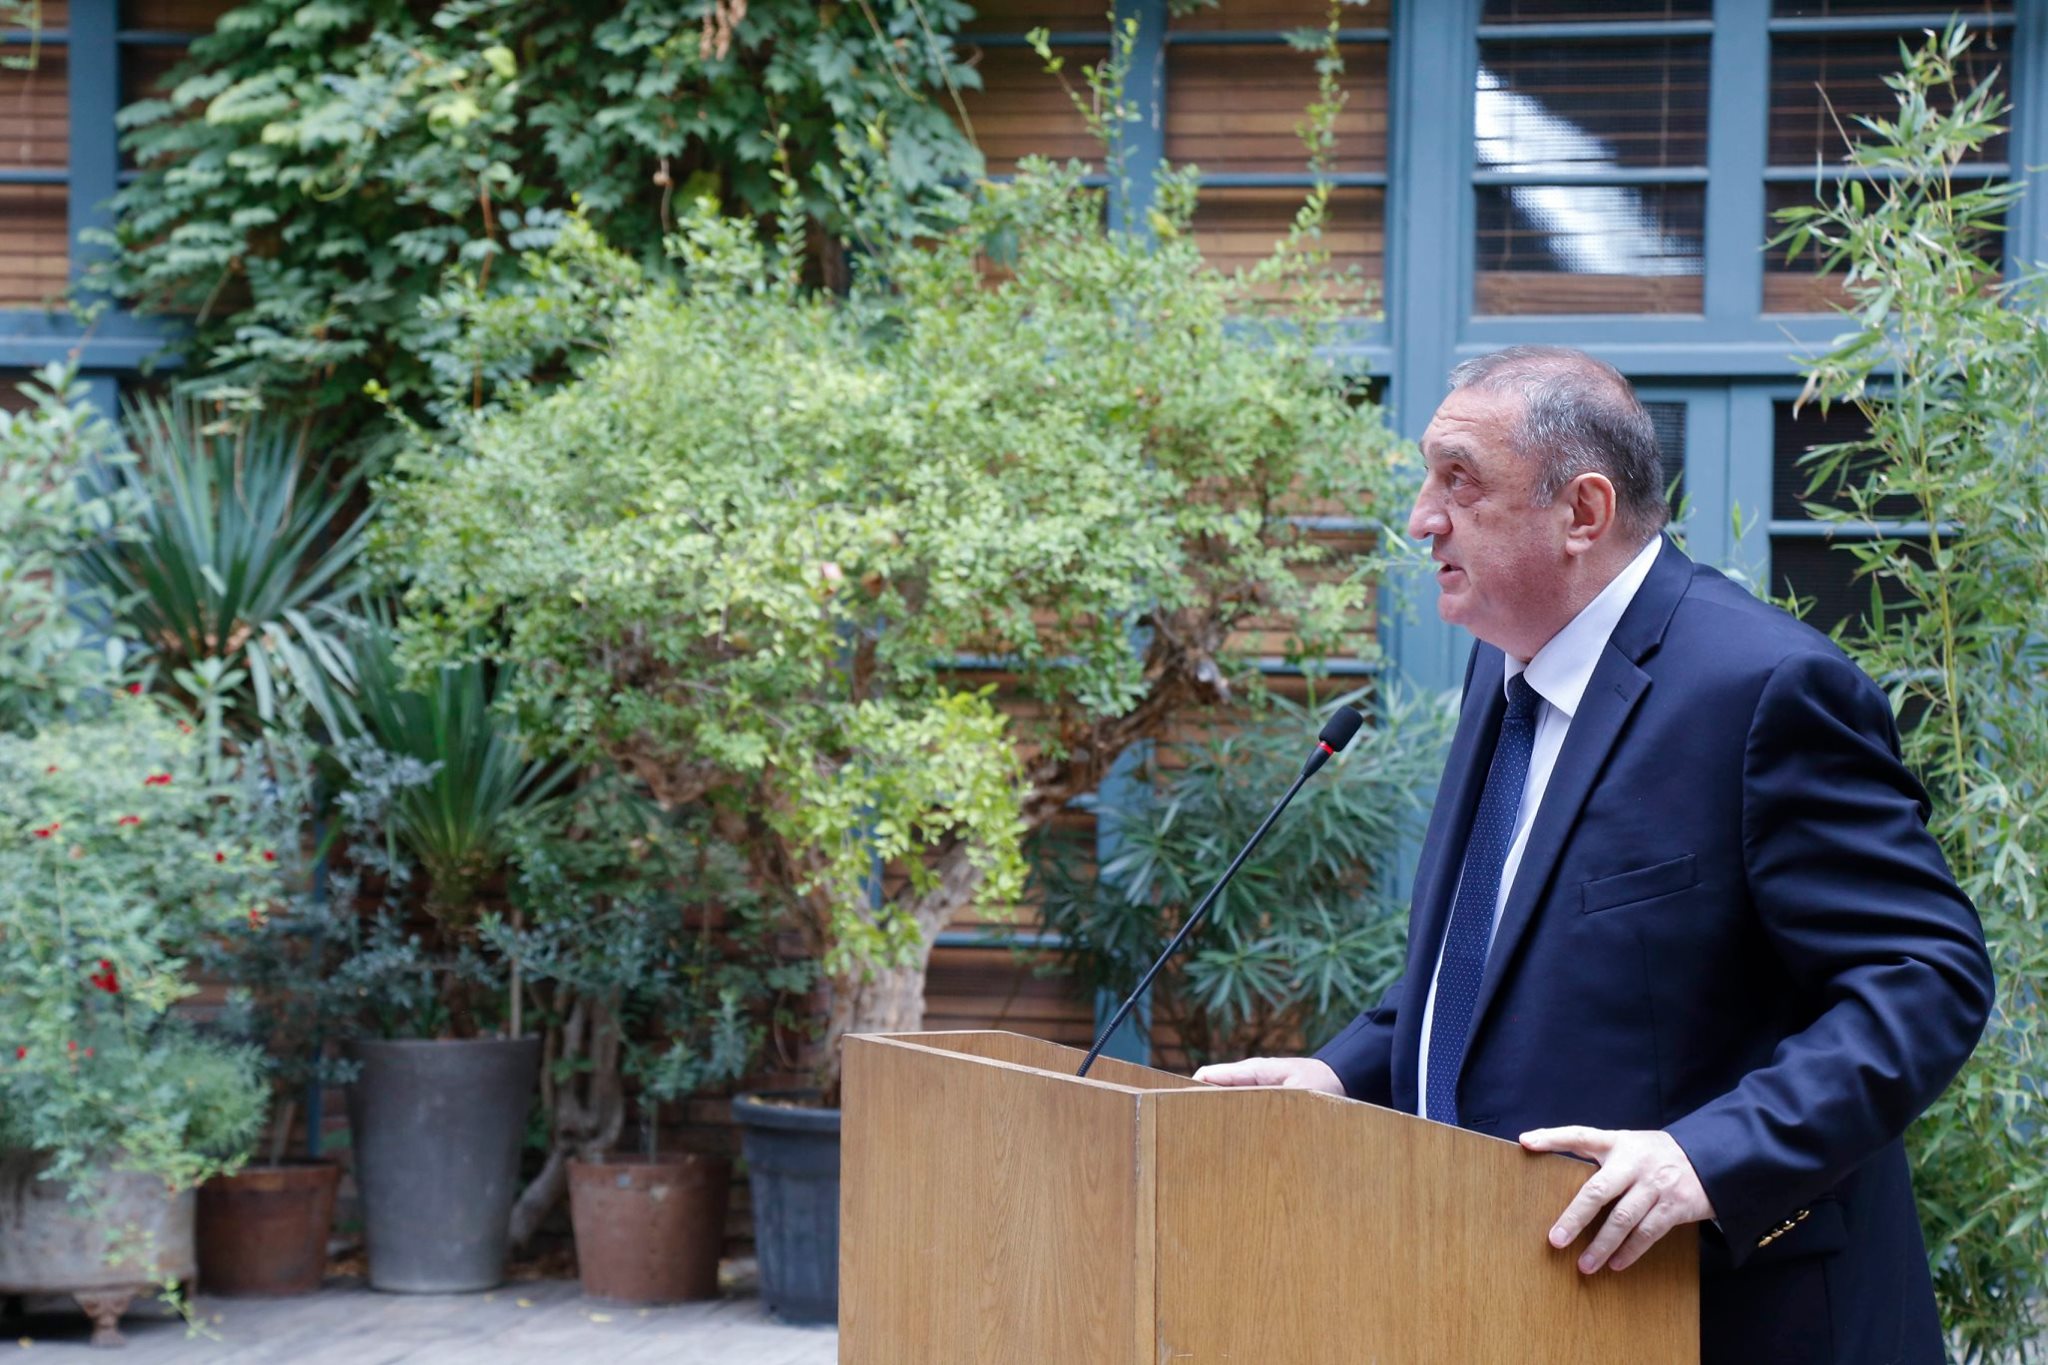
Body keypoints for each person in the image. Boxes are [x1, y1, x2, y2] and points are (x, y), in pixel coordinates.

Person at [1194, 346, 1993, 1364]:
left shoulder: (1766, 689)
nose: (1421, 519)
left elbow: (1922, 977)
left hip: (1729, 1317)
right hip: (1518, 1304)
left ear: (1581, 511)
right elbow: (1494, 963)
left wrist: (1708, 1157)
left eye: (1458, 481)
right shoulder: (1506, 668)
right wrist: (1338, 1075)